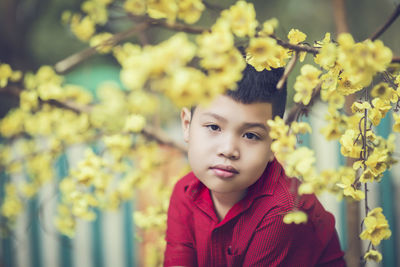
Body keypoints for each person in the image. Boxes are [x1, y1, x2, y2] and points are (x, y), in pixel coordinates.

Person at [164, 64, 346, 266]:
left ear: (274, 143)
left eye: (251, 135)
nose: (228, 149)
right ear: (187, 125)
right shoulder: (185, 192)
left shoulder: (283, 212)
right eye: (214, 127)